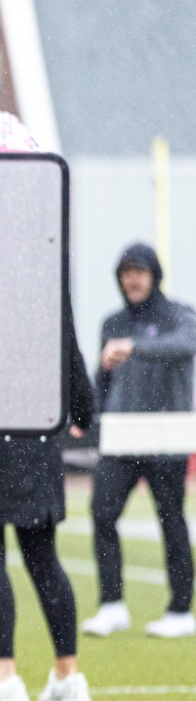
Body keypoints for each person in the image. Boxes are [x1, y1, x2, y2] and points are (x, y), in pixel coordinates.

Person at [0, 320, 96, 701]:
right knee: (45, 562)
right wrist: (84, 412)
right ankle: (68, 675)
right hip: (39, 440)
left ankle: (3, 675)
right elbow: (71, 347)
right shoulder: (46, 279)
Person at [81, 242, 196, 639]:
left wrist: (135, 347)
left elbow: (185, 345)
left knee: (171, 519)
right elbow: (103, 379)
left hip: (165, 436)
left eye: (140, 271)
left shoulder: (179, 315)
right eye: (126, 271)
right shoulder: (112, 323)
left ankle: (181, 609)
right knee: (102, 514)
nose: (132, 279)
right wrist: (88, 418)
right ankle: (111, 603)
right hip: (122, 436)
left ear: (154, 274)